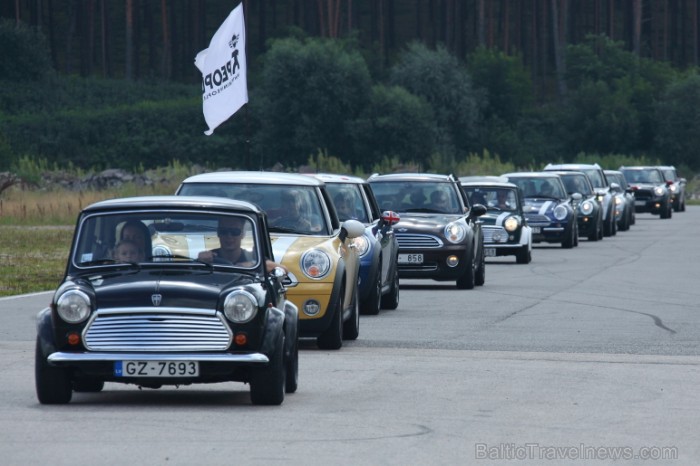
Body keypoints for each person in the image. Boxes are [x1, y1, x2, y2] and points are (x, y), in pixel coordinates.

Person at [198, 216, 285, 273]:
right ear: (218, 233)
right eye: (223, 231)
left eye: (235, 232)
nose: (229, 236)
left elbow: (283, 270)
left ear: (242, 234)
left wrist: (253, 265)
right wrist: (200, 261)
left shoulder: (253, 258)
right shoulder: (209, 258)